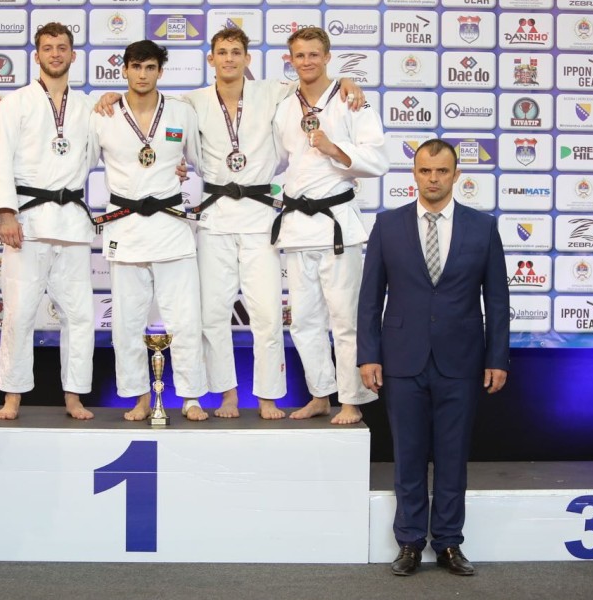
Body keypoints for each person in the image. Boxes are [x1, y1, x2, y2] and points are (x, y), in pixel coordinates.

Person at [183, 28, 365, 420]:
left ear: (248, 59)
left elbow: (315, 82)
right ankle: (227, 394)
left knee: (266, 314)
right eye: (221, 52)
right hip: (215, 217)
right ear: (210, 59)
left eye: (236, 52)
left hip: (260, 217)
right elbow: (150, 111)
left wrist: (347, 82)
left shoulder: (271, 92)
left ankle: (268, 396)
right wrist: (110, 98)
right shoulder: (192, 101)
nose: (229, 58)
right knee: (212, 315)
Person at [357, 139, 510, 576]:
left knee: (452, 456)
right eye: (425, 170)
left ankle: (448, 543)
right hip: (401, 359)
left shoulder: (483, 227)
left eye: (442, 171)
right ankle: (408, 542)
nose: (433, 179)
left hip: (462, 361)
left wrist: (497, 358)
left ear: (456, 175)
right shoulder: (387, 225)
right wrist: (368, 354)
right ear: (414, 174)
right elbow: (370, 297)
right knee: (407, 454)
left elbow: (497, 300)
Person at [271, 27, 389, 425]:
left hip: (337, 227)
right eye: (299, 55)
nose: (306, 61)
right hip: (297, 226)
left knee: (345, 319)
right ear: (290, 60)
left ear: (327, 56)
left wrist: (333, 148)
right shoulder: (285, 105)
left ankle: (352, 401)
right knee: (304, 321)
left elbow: (378, 159)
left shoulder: (350, 100)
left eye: (313, 54)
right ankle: (320, 394)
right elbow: (276, 162)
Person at [88, 40, 208, 421]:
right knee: (126, 322)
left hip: (171, 224)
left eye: (150, 67)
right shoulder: (103, 114)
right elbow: (80, 162)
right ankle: (140, 397)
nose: (142, 74)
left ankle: (190, 396)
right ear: (124, 70)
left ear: (160, 71)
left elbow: (202, 161)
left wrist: (186, 171)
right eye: (136, 67)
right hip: (125, 225)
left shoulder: (180, 112)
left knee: (185, 317)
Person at [0, 23, 97, 421]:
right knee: (19, 313)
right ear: (36, 56)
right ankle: (12, 395)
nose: (55, 54)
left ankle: (74, 395)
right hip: (28, 222)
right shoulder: (13, 104)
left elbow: (116, 149)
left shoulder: (88, 107)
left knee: (80, 316)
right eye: (48, 48)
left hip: (72, 223)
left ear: (73, 55)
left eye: (62, 47)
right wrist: (6, 213)